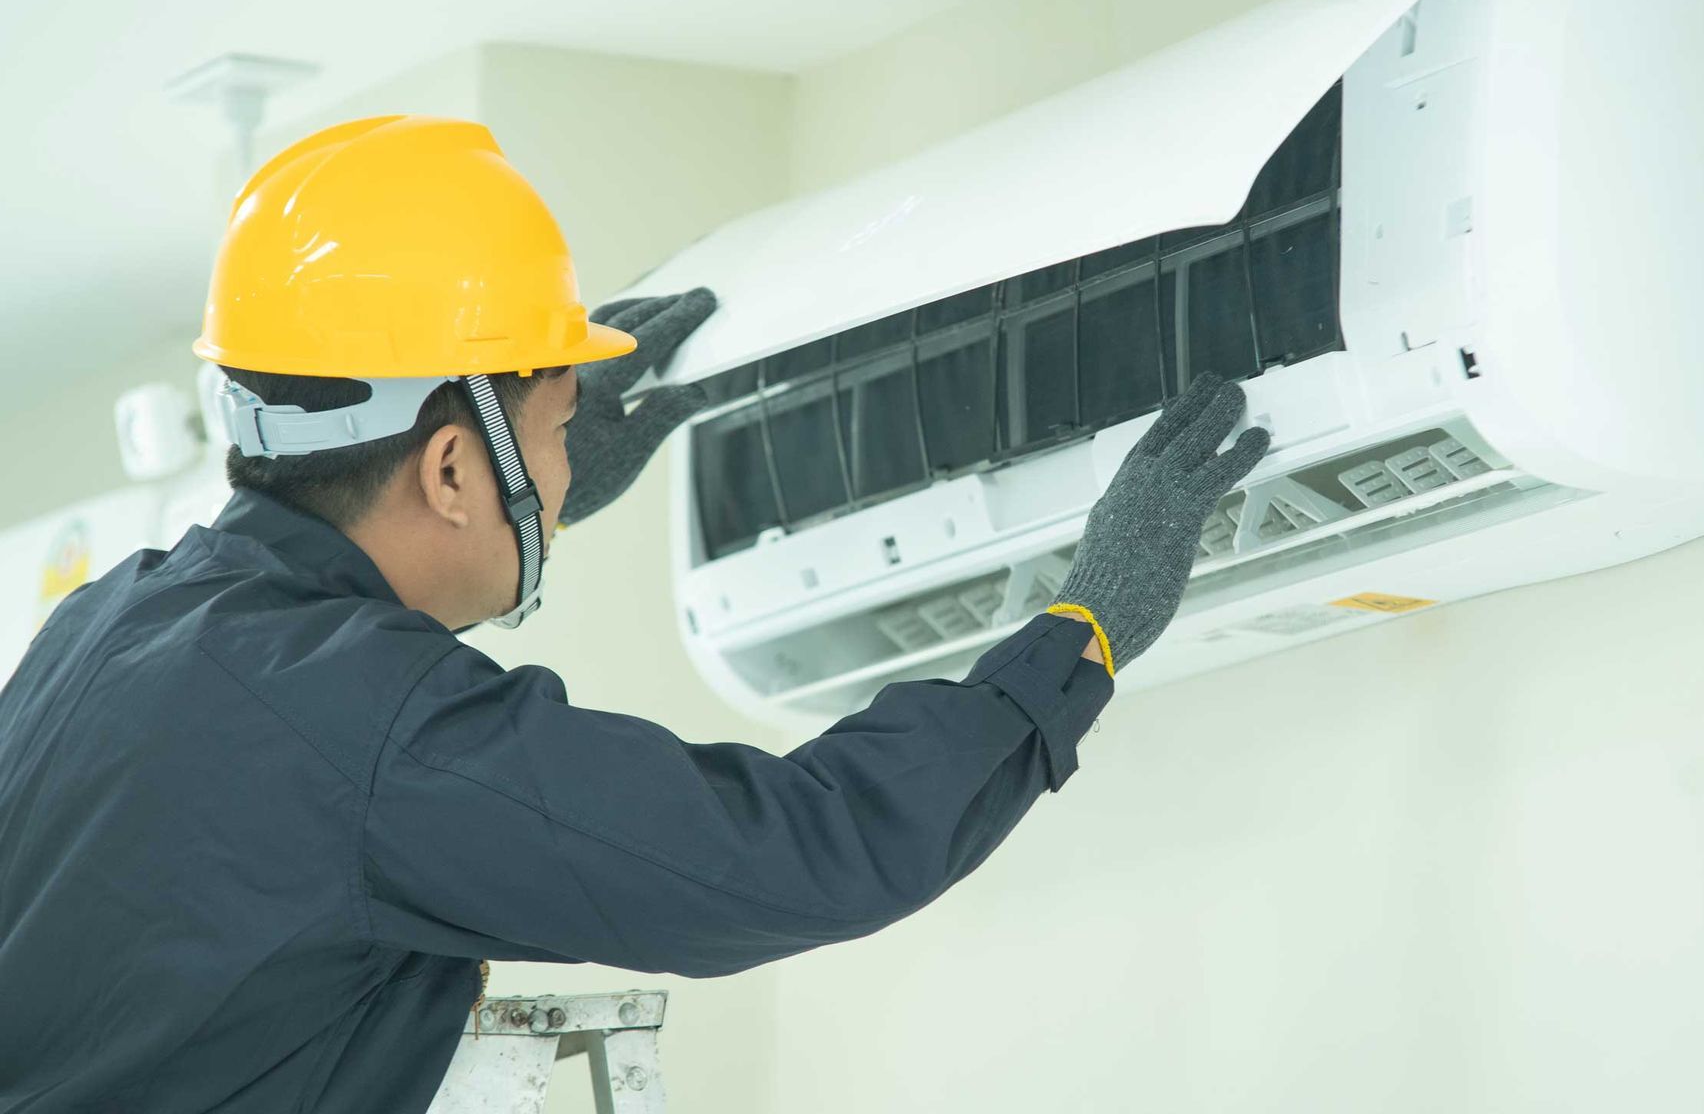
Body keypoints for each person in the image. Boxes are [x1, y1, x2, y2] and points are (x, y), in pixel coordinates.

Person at [0, 116, 1268, 1112]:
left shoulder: (106, 628)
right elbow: (792, 853)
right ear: (449, 470)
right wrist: (1079, 635)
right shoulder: (373, 733)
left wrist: (530, 485)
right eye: (553, 441)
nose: (560, 473)